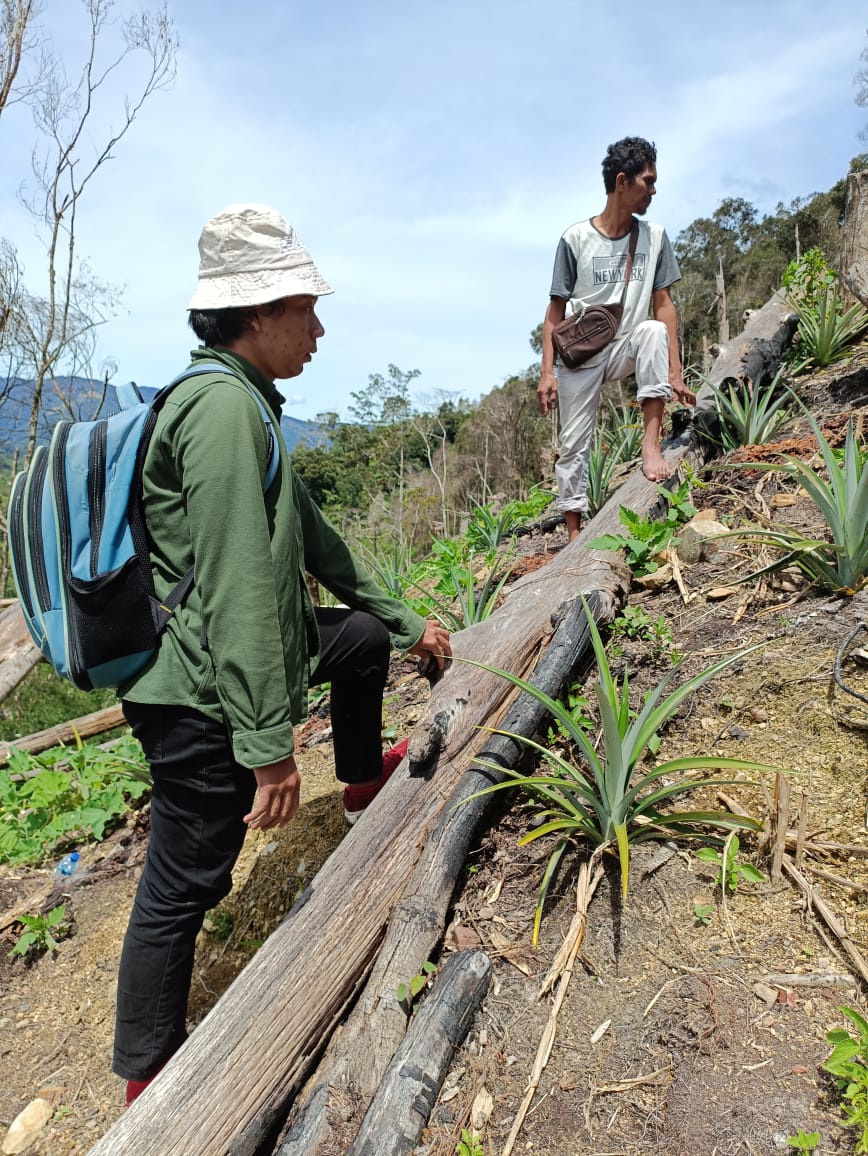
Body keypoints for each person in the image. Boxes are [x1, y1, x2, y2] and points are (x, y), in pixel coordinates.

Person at [114, 203, 451, 1106]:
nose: (318, 328)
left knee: (357, 641)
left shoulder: (250, 406)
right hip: (195, 690)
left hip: (224, 662)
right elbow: (236, 584)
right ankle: (148, 1079)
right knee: (188, 877)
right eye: (306, 308)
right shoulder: (222, 410)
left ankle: (362, 780)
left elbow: (320, 545)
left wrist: (405, 623)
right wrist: (267, 747)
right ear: (259, 312)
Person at [537, 136, 696, 542]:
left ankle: (651, 445)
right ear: (622, 181)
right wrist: (547, 373)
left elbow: (664, 305)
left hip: (625, 346)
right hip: (581, 355)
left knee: (653, 330)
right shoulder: (576, 239)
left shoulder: (654, 237)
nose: (654, 190)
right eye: (648, 181)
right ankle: (574, 532)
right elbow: (554, 312)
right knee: (573, 443)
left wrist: (675, 372)